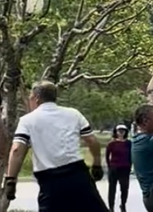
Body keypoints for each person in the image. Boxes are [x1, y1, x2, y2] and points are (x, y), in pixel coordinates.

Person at [2, 81, 108, 212]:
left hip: (50, 181)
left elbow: (17, 150)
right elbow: (92, 140)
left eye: (30, 97)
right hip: (78, 176)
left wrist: (11, 180)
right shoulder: (74, 114)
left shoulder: (27, 120)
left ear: (36, 98)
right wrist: (97, 165)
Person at [106, 124, 133, 212]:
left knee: (124, 188)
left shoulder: (129, 143)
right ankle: (111, 207)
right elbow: (107, 155)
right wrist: (109, 166)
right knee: (112, 189)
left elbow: (132, 155)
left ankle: (123, 204)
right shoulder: (112, 143)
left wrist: (130, 164)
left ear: (125, 132)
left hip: (125, 168)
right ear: (116, 132)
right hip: (114, 168)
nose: (121, 133)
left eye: (123, 131)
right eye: (119, 131)